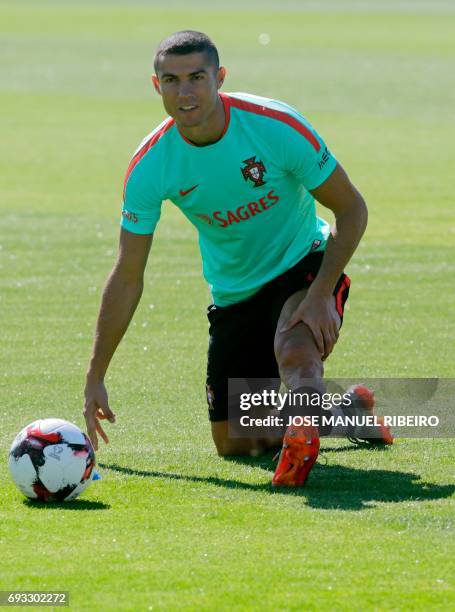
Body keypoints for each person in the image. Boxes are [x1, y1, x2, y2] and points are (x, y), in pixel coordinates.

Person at [83, 30, 392, 488]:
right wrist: (96, 376)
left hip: (303, 261)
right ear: (156, 86)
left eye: (196, 77)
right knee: (236, 443)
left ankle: (301, 450)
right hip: (235, 293)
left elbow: (351, 208)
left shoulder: (275, 127)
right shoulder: (151, 165)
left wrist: (323, 292)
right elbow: (128, 274)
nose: (184, 92)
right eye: (171, 80)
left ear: (219, 78)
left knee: (296, 347)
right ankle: (342, 412)